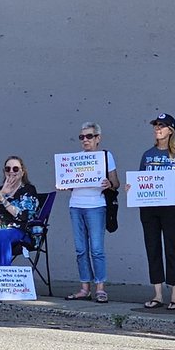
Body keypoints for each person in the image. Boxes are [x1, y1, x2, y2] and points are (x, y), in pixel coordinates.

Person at [135, 113, 175, 310]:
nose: (157, 129)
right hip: (149, 207)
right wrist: (132, 189)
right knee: (152, 248)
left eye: (162, 126)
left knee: (172, 248)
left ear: (171, 130)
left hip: (172, 207)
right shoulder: (147, 154)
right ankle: (157, 294)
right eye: (155, 125)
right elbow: (140, 181)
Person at [65, 122, 119, 304]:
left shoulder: (105, 156)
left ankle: (100, 288)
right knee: (81, 249)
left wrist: (109, 184)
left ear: (98, 138)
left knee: (96, 249)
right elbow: (68, 181)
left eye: (89, 136)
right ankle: (84, 288)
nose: (85, 140)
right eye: (82, 137)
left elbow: (116, 182)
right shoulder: (75, 158)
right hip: (76, 205)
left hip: (96, 205)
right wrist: (64, 184)